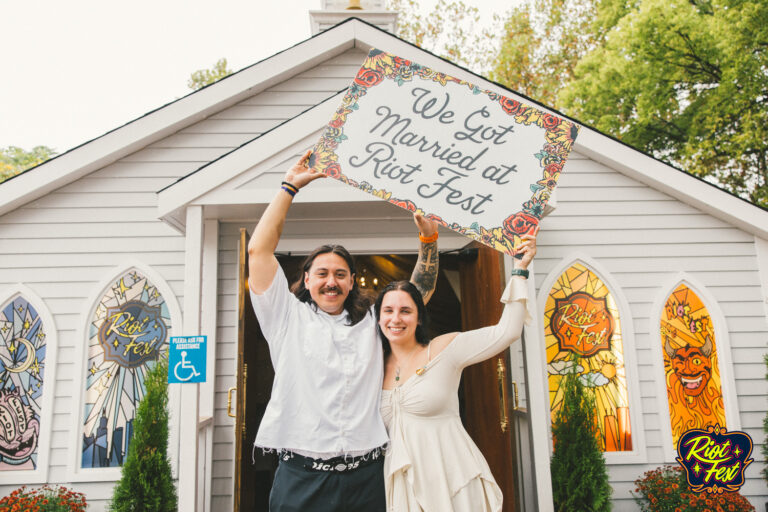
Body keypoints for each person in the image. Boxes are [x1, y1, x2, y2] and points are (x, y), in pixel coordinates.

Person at [247, 149, 440, 512]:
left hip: (367, 477)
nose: (331, 282)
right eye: (322, 274)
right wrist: (288, 187)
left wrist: (428, 242)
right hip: (301, 478)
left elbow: (419, 292)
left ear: (352, 282)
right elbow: (258, 251)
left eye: (340, 274)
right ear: (306, 280)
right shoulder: (285, 317)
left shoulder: (373, 321)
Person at [375, 230, 537, 512]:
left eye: (405, 310)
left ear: (419, 316)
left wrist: (520, 269)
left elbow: (506, 332)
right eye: (388, 311)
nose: (396, 319)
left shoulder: (443, 349)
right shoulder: (373, 366)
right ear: (378, 318)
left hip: (454, 479)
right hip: (404, 484)